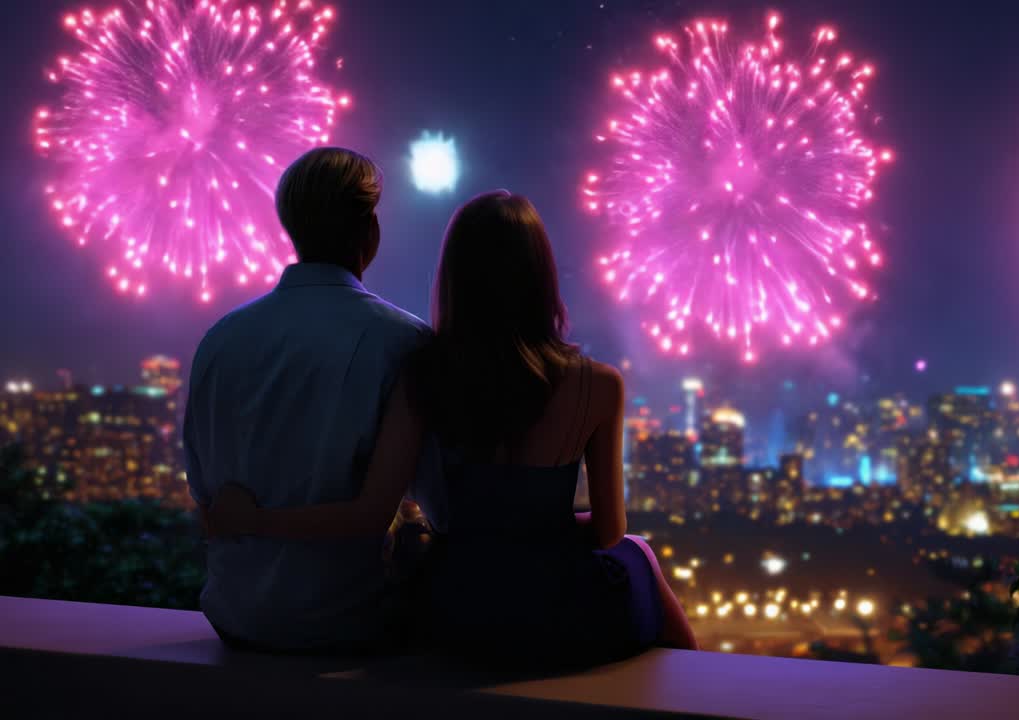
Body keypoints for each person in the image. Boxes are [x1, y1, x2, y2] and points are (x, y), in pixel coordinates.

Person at [207, 190, 697, 665]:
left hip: (457, 607)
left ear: (456, 278)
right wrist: (535, 527)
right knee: (638, 555)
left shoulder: (425, 374)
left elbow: (371, 509)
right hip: (556, 608)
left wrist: (253, 519)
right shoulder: (600, 385)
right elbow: (610, 531)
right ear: (541, 277)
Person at [185, 147, 432, 652]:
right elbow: (400, 507)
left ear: (291, 227)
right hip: (351, 621)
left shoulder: (220, 338)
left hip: (232, 615)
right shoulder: (405, 343)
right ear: (370, 232)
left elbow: (206, 493)